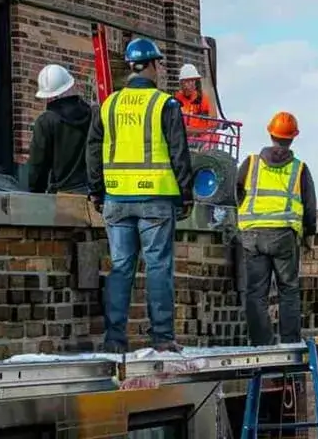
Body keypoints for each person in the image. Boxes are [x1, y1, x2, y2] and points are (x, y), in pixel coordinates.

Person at [85, 37, 194, 354]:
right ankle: (161, 337)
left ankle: (114, 338)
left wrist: (96, 190)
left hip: (117, 199)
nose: (160, 69)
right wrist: (185, 195)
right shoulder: (165, 104)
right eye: (159, 63)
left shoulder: (109, 105)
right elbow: (179, 153)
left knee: (120, 268)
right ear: (151, 65)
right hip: (156, 199)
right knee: (158, 267)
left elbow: (93, 151)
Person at [236, 111, 318, 346]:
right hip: (284, 236)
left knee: (255, 293)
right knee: (288, 290)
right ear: (294, 137)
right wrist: (309, 235)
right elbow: (310, 206)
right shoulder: (299, 169)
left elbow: (236, 193)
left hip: (252, 235)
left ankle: (261, 343)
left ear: (270, 133)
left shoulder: (250, 163)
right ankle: (291, 342)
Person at [26, 64, 93, 194]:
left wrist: (35, 193)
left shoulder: (46, 121)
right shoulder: (93, 114)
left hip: (61, 195)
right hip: (92, 193)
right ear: (70, 85)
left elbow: (38, 164)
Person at [173, 63, 218, 147]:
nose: (190, 84)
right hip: (183, 139)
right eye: (186, 81)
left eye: (192, 81)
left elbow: (211, 125)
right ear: (181, 83)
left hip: (200, 140)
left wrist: (194, 131)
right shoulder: (176, 99)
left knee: (213, 138)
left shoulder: (203, 99)